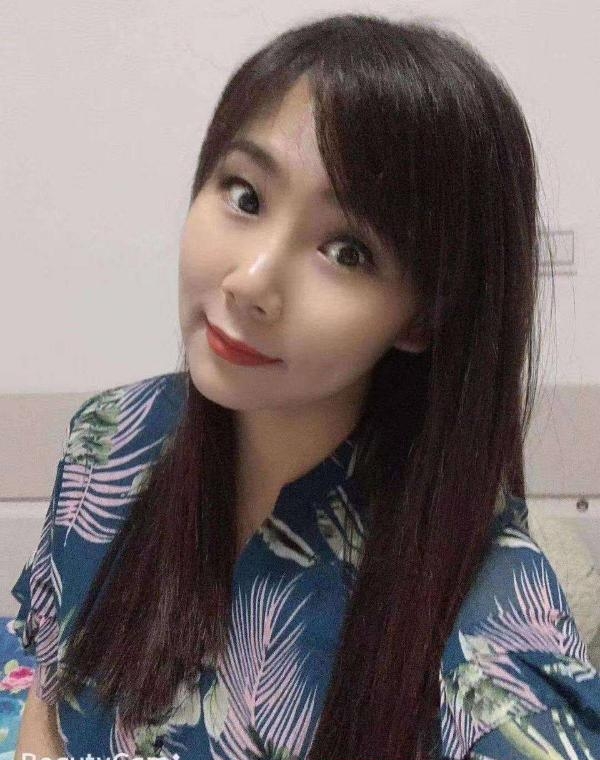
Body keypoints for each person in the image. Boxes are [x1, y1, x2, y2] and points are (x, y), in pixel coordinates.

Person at [12, 12, 600, 760]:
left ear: (422, 316)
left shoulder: (484, 614)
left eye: (347, 250)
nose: (251, 281)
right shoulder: (112, 439)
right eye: (245, 196)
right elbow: (51, 693)